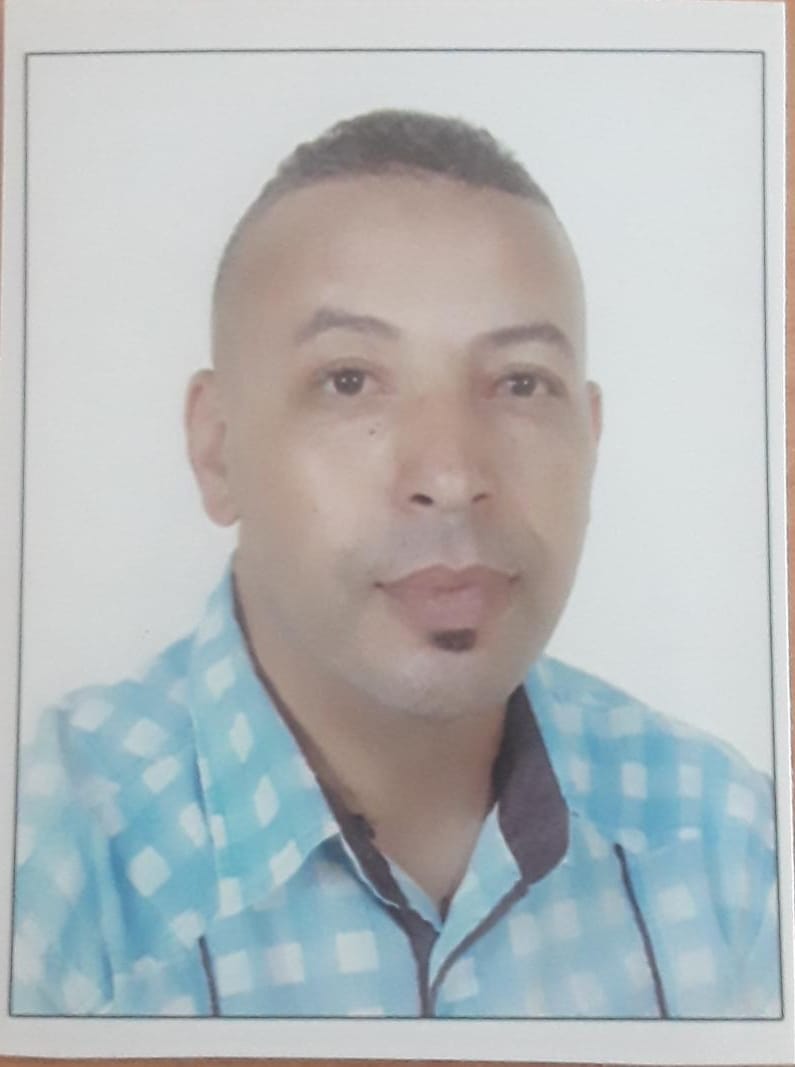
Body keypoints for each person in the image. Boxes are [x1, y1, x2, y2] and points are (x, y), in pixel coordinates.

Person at [12, 109, 780, 1019]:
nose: (450, 476)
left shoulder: (732, 847)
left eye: (521, 382)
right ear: (217, 451)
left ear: (590, 440)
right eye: (349, 380)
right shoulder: (49, 858)